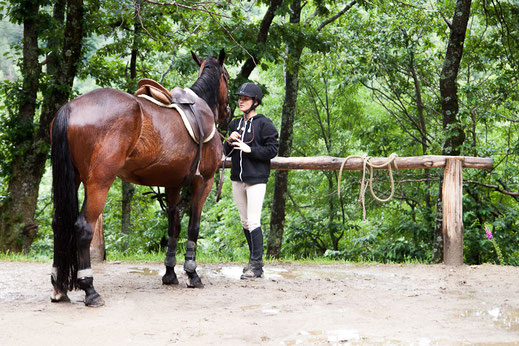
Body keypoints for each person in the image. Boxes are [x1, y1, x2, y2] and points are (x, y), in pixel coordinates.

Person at [223, 82, 279, 279]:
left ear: (255, 102)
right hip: (237, 179)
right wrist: (229, 140)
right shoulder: (234, 124)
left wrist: (251, 150)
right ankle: (253, 261)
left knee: (254, 220)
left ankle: (257, 266)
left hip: (256, 179)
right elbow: (226, 152)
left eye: (245, 99)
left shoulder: (265, 124)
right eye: (239, 98)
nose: (241, 101)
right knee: (245, 222)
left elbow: (273, 150)